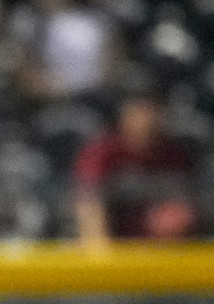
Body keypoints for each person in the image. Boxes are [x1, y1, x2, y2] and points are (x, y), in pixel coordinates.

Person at [72, 87, 197, 245]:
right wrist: (103, 258)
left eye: (151, 113)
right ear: (123, 117)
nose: (145, 121)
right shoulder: (101, 153)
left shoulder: (175, 155)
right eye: (138, 113)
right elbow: (88, 206)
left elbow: (184, 208)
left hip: (161, 252)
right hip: (112, 251)